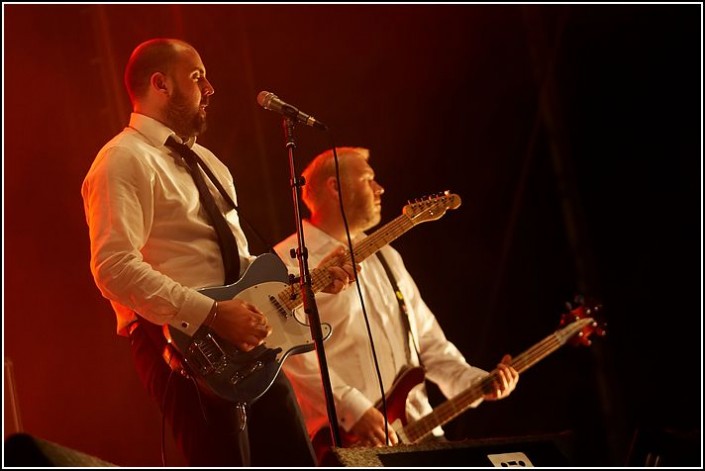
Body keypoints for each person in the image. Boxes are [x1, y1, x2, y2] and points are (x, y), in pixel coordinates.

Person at [81, 38, 356, 467]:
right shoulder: (121, 159)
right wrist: (210, 312)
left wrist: (311, 283)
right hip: (181, 344)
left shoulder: (208, 161)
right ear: (161, 84)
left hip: (246, 341)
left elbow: (241, 266)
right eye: (196, 77)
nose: (210, 89)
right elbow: (113, 267)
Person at [273, 147, 520, 462]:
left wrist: (478, 382)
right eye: (368, 179)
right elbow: (287, 353)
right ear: (335, 187)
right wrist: (353, 408)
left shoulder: (387, 256)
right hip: (351, 442)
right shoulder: (287, 261)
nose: (381, 188)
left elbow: (428, 342)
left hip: (424, 433)